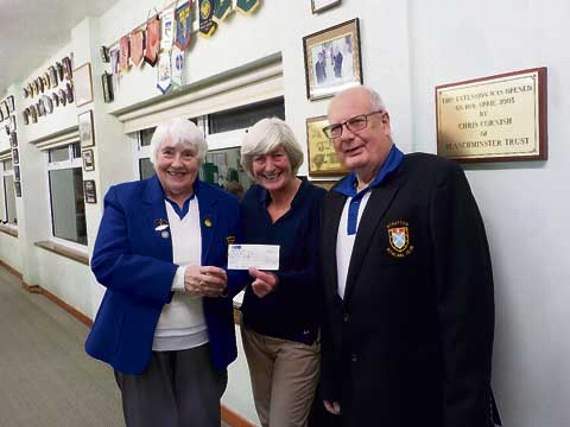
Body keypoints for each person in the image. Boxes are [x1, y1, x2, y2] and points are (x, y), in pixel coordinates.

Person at [318, 86, 499, 426]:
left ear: (384, 122)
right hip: (356, 393)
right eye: (336, 129)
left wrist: (466, 405)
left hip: (419, 394)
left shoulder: (434, 181)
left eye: (357, 122)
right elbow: (333, 304)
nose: (346, 136)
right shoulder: (334, 200)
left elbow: (466, 302)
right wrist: (331, 376)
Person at [85, 118, 243, 427]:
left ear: (200, 159)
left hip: (203, 342)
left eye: (188, 154)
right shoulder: (124, 199)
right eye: (168, 152)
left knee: (202, 422)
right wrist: (179, 278)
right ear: (154, 156)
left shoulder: (225, 204)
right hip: (142, 342)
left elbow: (238, 261)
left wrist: (227, 281)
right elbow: (106, 262)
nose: (177, 163)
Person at [239, 118, 326, 427]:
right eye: (259, 159)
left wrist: (278, 282)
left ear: (291, 156)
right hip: (254, 331)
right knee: (267, 419)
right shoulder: (251, 200)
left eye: (277, 155)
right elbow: (239, 254)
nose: (269, 166)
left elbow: (324, 273)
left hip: (298, 337)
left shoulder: (319, 203)